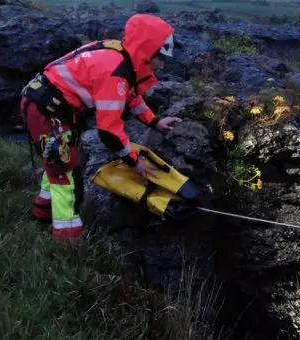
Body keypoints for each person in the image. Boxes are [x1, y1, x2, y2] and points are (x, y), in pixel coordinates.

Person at [21, 14, 182, 241]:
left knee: (57, 164)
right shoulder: (116, 72)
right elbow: (108, 131)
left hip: (52, 107)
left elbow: (130, 95)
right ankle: (67, 240)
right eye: (161, 58)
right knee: (67, 177)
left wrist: (154, 121)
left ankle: (42, 214)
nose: (164, 64)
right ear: (147, 52)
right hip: (46, 111)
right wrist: (135, 161)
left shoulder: (122, 54)